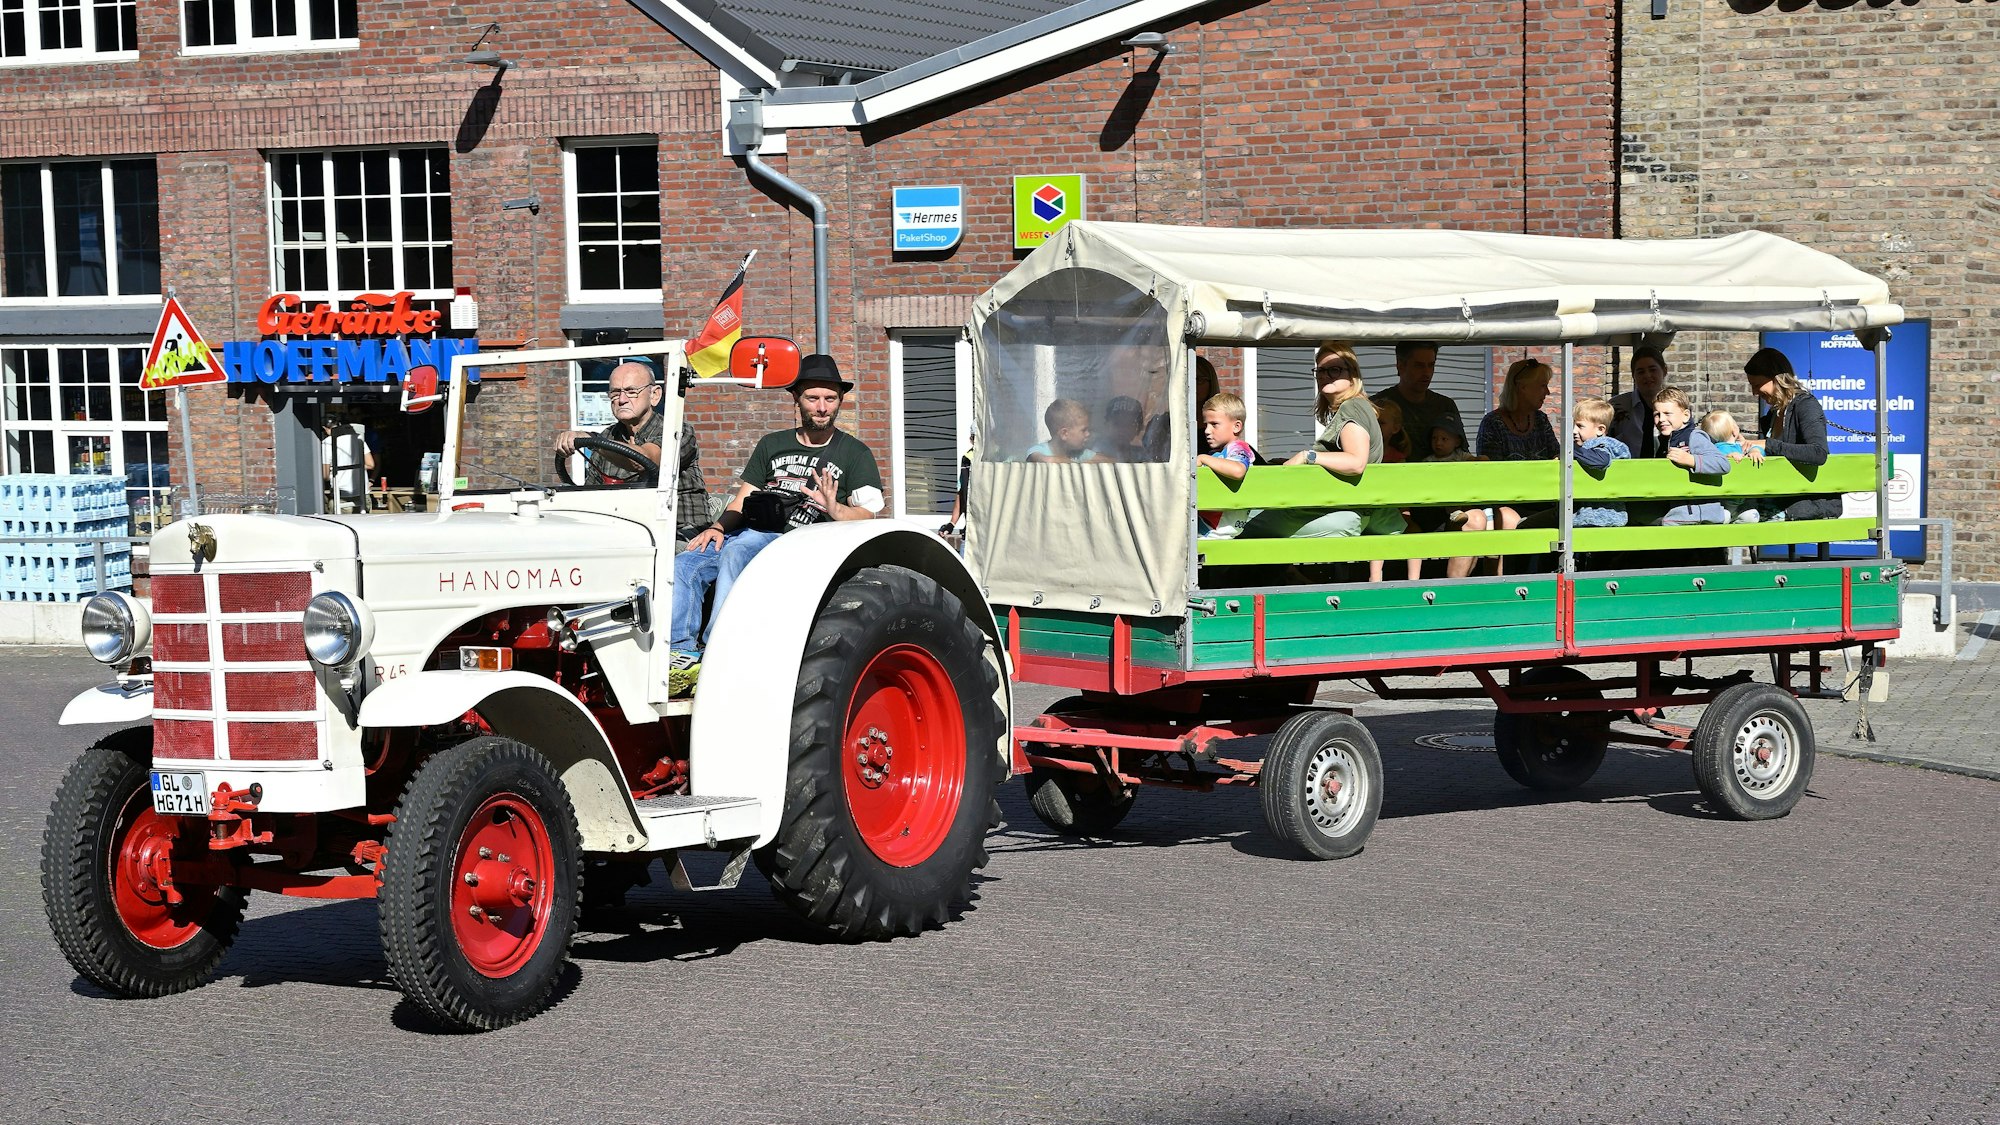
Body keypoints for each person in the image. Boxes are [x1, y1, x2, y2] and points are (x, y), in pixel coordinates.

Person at [668, 354, 884, 684]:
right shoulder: (773, 444)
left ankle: (716, 652)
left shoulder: (854, 453)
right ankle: (682, 655)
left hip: (800, 543)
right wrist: (716, 527)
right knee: (686, 562)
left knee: (740, 549)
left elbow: (868, 513)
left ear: (840, 401)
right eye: (813, 398)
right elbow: (743, 499)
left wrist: (834, 507)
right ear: (796, 399)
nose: (822, 407)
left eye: (830, 398)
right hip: (750, 533)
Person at [1241, 342, 1403, 573]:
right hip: (1343, 511)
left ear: (1352, 375)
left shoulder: (1353, 408)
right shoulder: (1357, 407)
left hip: (1337, 515)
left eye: (1335, 369)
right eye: (1320, 370)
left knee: (1238, 524)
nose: (1325, 376)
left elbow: (1356, 462)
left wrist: (1308, 457)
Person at [553, 359, 709, 546]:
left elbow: (644, 459)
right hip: (625, 531)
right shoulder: (607, 436)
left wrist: (592, 441)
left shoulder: (677, 432)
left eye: (631, 391)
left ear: (654, 395)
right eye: (615, 392)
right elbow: (590, 495)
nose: (622, 399)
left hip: (682, 532)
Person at [1738, 347, 1842, 523]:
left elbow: (1818, 453)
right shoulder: (1772, 415)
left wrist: (1768, 444)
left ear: (1776, 379)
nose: (1755, 392)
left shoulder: (1806, 405)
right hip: (1778, 496)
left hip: (1805, 502)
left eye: (1757, 385)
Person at [1522, 396, 1630, 530]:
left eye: (1579, 426)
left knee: (1527, 526)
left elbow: (1601, 461)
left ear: (1600, 430)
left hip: (1598, 517)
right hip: (1584, 514)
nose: (1573, 431)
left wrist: (1568, 450)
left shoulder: (1604, 444)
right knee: (1527, 524)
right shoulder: (1586, 448)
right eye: (1573, 425)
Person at [1479, 358, 1561, 530]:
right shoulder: (1493, 422)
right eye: (1542, 385)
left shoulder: (1541, 419)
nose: (1547, 392)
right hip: (1506, 504)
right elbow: (1492, 474)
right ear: (1522, 387)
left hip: (1543, 500)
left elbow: (1557, 456)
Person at [1653, 386, 1731, 524]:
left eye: (1667, 413)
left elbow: (1722, 464)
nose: (1661, 419)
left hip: (1699, 511)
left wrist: (1691, 460)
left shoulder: (1694, 437)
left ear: (1686, 416)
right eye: (1656, 414)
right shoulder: (1663, 442)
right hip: (1678, 509)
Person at [1371, 341, 1460, 461]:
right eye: (1419, 365)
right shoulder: (1378, 406)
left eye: (1431, 365)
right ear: (1400, 365)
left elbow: (1461, 451)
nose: (1427, 373)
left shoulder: (1445, 406)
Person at [1196, 391, 1257, 539]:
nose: (1207, 431)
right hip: (1212, 524)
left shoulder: (1238, 447)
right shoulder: (1218, 454)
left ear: (1236, 426)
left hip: (1215, 528)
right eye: (1206, 425)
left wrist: (1203, 458)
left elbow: (1237, 470)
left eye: (1214, 424)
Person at [1612, 345, 1670, 458]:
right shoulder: (1617, 406)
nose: (1647, 376)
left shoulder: (1678, 405)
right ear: (1633, 375)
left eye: (1652, 370)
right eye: (1641, 372)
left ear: (1664, 370)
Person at [320, 418, 377, 514]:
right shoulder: (357, 437)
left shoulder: (326, 443)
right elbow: (371, 465)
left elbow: (325, 475)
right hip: (362, 492)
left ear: (325, 428)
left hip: (341, 494)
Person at [1026, 399, 1101, 463]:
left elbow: (1110, 461)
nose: (1088, 434)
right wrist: (1079, 464)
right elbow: (1047, 460)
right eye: (1084, 430)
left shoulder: (1079, 453)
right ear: (1064, 433)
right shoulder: (1039, 450)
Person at [1099, 396, 1148, 462]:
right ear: (1106, 426)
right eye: (1117, 424)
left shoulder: (1141, 455)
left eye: (1129, 424)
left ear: (1138, 429)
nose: (1123, 429)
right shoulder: (1099, 452)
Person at [1375, 399, 1410, 463]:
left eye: (1381, 423)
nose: (1375, 426)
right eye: (1372, 422)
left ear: (1395, 428)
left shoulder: (1397, 459)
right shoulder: (1360, 453)